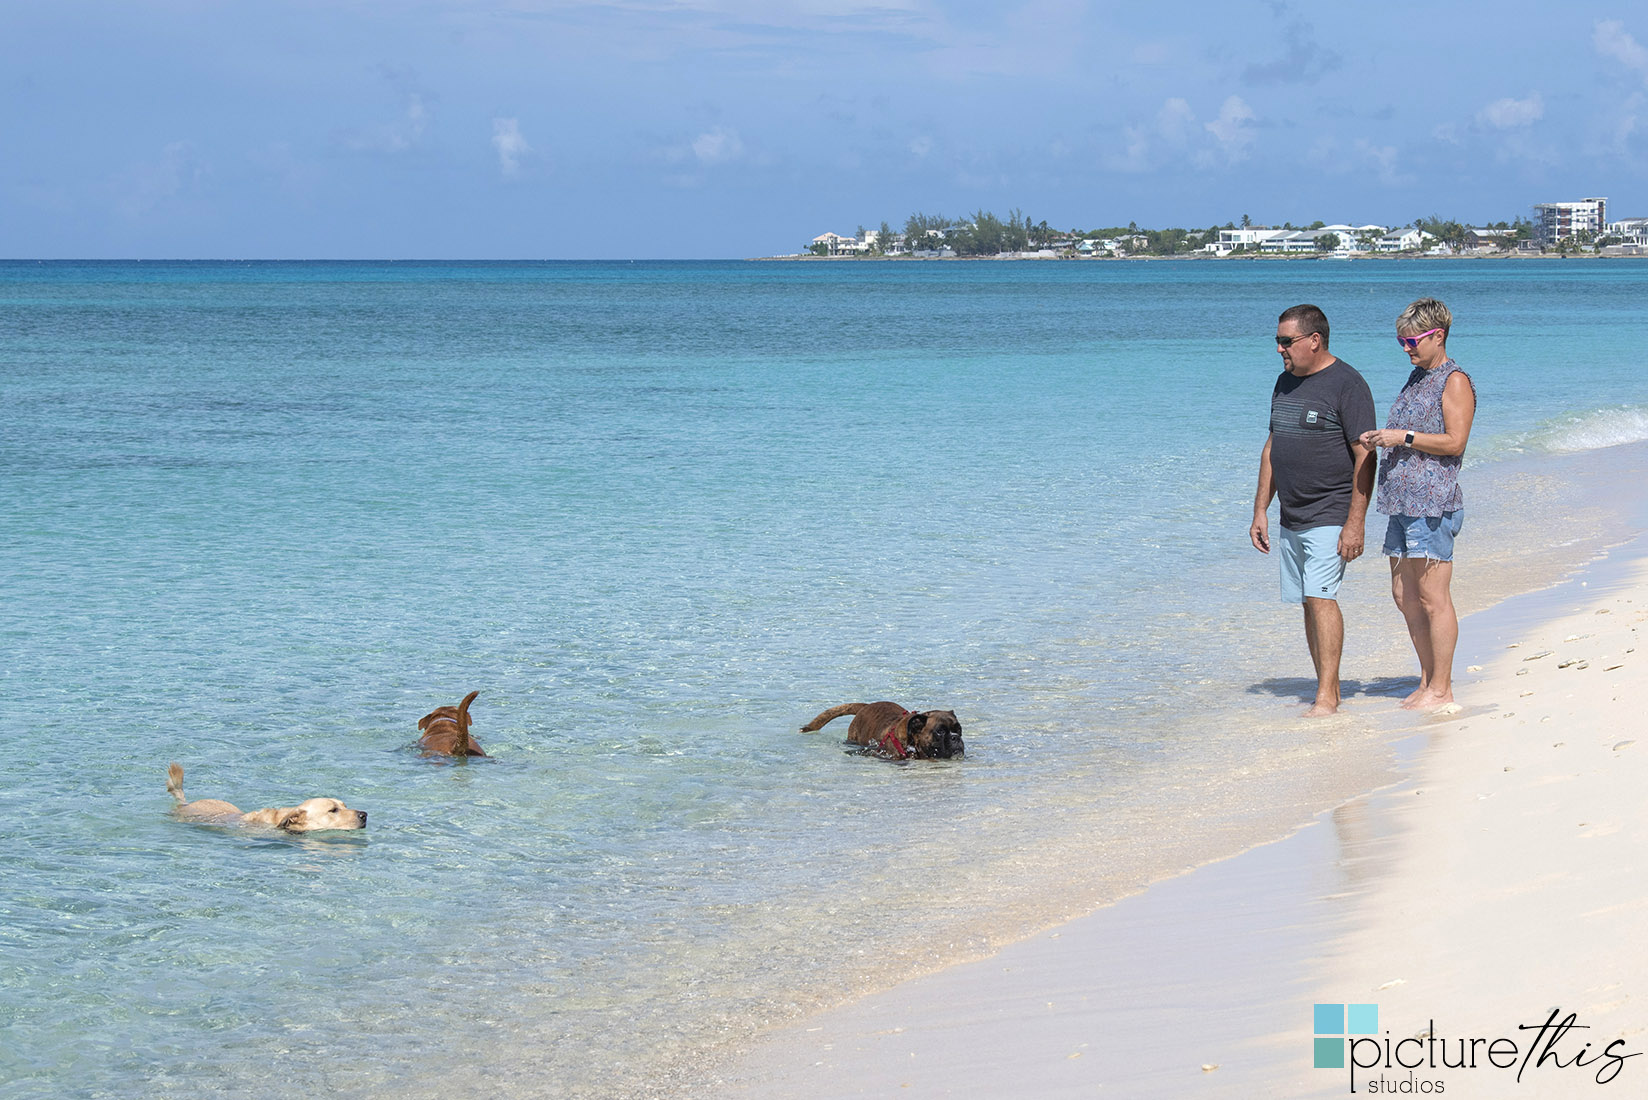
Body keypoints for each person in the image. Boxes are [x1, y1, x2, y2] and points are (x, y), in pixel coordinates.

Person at [1250, 304, 1377, 716]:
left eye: (1286, 342)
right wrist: (1260, 511)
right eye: (1278, 342)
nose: (1280, 350)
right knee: (1308, 600)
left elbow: (1366, 456)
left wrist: (1354, 523)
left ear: (1314, 340)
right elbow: (1273, 446)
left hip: (1331, 509)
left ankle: (1327, 696)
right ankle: (1328, 686)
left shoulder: (1347, 384)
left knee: (1321, 597)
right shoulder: (1284, 382)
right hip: (1292, 513)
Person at [1358, 298, 1476, 710]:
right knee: (1403, 594)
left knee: (1432, 597)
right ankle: (1427, 679)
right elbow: (1406, 431)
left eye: (1412, 340)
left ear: (1437, 336)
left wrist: (1402, 437)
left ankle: (1442, 688)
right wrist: (1380, 437)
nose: (1406, 347)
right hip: (1400, 501)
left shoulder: (1453, 380)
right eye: (1401, 341)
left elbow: (1455, 442)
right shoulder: (1416, 377)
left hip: (1433, 502)